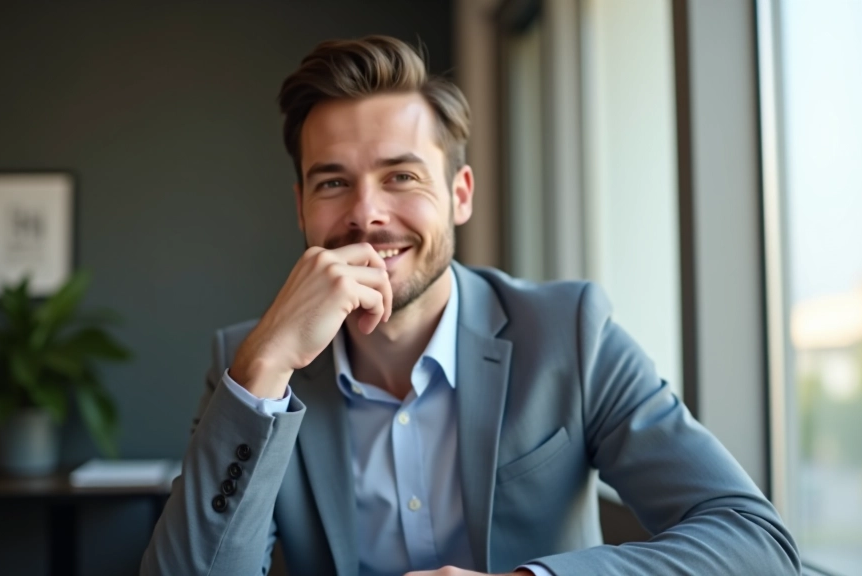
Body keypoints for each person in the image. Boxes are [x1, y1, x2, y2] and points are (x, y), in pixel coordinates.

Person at [141, 35, 799, 576]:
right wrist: (265, 370)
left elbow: (755, 544)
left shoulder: (569, 333)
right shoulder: (250, 364)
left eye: (401, 176)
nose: (367, 214)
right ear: (301, 209)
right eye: (333, 182)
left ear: (460, 195)